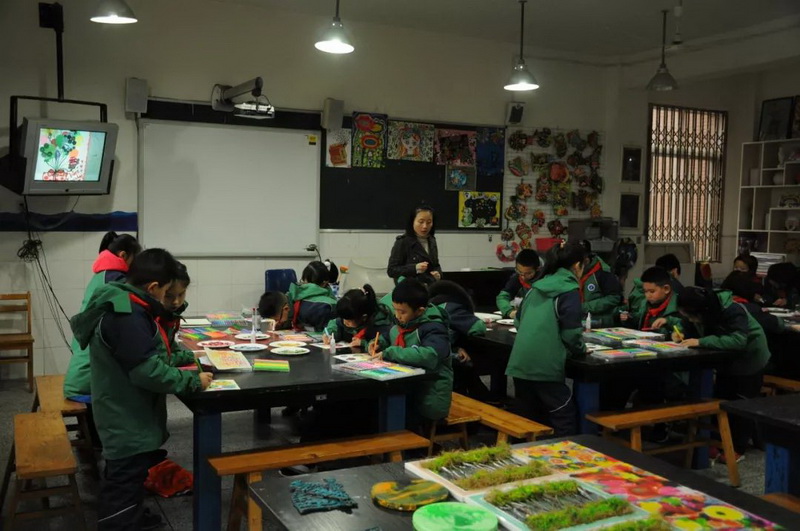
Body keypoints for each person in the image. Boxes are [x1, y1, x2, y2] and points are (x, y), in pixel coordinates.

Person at [69, 249, 213, 530]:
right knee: (123, 479)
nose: (171, 300)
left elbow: (150, 354)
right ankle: (119, 523)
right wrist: (193, 381)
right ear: (154, 288)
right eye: (167, 292)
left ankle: (133, 517)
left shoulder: (127, 305)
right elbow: (147, 371)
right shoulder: (126, 316)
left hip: (124, 409)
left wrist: (185, 359)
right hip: (124, 415)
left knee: (131, 475)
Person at [675, 286, 771, 463]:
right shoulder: (696, 310)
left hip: (750, 358)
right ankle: (718, 442)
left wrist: (701, 341)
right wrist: (679, 333)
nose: (689, 318)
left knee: (742, 404)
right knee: (722, 399)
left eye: (691, 315)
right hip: (724, 360)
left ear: (703, 310)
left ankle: (738, 448)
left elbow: (738, 340)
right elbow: (687, 326)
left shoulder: (732, 310)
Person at [506, 241, 586, 436]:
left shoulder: (535, 287)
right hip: (546, 365)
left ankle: (525, 453)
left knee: (528, 417)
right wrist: (580, 349)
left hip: (520, 362)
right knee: (563, 415)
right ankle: (565, 454)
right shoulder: (568, 290)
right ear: (577, 266)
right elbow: (571, 334)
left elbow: (518, 321)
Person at [64, 231, 142, 402]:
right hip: (88, 383)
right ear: (123, 255)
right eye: (135, 259)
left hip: (79, 374)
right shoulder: (115, 280)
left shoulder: (101, 276)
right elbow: (127, 321)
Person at [371, 278, 452, 427]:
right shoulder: (402, 323)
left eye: (402, 312)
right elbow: (389, 336)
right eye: (395, 309)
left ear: (420, 311)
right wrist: (376, 344)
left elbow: (430, 356)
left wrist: (391, 352)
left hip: (429, 395)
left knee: (401, 419)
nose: (397, 315)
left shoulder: (434, 328)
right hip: (407, 388)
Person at [429, 279, 489, 401]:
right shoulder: (452, 307)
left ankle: (483, 395)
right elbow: (478, 327)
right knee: (472, 358)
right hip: (442, 357)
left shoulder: (431, 305)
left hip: (432, 351)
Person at [324, 284, 393, 350]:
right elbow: (336, 323)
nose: (345, 322)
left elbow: (384, 344)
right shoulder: (350, 315)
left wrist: (363, 343)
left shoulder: (381, 325)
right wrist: (331, 334)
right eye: (343, 318)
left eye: (349, 321)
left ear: (363, 317)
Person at [387, 204, 442, 285]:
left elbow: (436, 265)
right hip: (410, 288)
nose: (425, 226)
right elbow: (391, 270)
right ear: (412, 221)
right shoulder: (403, 242)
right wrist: (414, 268)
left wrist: (438, 273)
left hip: (429, 287)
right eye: (421, 222)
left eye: (429, 222)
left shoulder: (432, 240)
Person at [623, 267, 683, 336]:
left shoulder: (679, 306)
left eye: (652, 291)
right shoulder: (645, 303)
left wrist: (668, 322)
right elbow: (638, 321)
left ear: (666, 289)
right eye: (645, 291)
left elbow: (685, 329)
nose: (648, 295)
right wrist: (629, 318)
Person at [578, 240, 622, 327]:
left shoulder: (603, 272)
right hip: (578, 321)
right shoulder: (572, 271)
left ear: (587, 258)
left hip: (599, 322)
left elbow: (614, 298)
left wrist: (585, 307)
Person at [496, 249, 540, 319]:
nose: (523, 277)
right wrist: (509, 312)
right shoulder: (516, 278)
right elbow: (502, 297)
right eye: (520, 272)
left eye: (528, 273)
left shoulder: (544, 280)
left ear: (537, 269)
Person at [159, 262, 192, 353]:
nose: (176, 302)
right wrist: (190, 356)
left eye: (181, 294)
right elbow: (162, 357)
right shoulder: (152, 317)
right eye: (168, 296)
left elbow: (169, 345)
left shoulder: (171, 314)